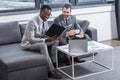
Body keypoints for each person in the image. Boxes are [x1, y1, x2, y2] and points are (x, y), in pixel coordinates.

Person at [21, 5, 61, 79]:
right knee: (43, 45)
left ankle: (54, 63)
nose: (47, 16)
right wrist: (46, 40)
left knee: (56, 41)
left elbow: (46, 34)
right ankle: (50, 70)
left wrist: (54, 37)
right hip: (28, 44)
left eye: (49, 15)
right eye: (46, 14)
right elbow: (31, 40)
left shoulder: (45, 20)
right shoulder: (32, 22)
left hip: (39, 40)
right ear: (40, 12)